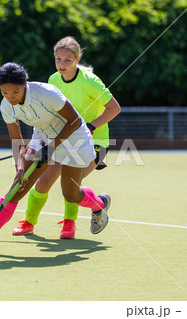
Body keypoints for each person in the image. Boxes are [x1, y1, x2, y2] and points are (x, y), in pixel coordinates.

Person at [0, 62, 111, 254]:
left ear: (25, 84)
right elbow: (16, 141)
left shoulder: (46, 93)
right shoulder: (7, 106)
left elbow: (75, 121)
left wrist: (52, 147)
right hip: (43, 137)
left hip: (74, 138)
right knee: (16, 190)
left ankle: (99, 204)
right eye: (5, 93)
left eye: (16, 92)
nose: (10, 97)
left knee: (70, 194)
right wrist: (20, 169)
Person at [12, 36, 121, 239]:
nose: (62, 65)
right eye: (58, 59)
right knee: (43, 182)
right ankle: (28, 222)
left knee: (70, 183)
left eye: (67, 60)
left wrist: (90, 126)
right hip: (65, 139)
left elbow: (114, 108)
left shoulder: (90, 82)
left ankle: (72, 222)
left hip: (94, 142)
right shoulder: (53, 80)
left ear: (77, 59)